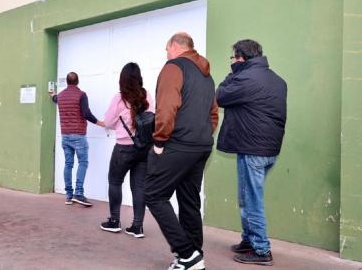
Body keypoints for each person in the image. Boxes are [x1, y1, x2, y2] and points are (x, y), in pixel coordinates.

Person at [144, 32, 218, 270]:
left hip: (177, 144)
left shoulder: (173, 67)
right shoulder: (207, 76)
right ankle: (195, 255)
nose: (166, 54)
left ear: (175, 46)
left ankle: (186, 253)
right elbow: (213, 114)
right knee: (189, 200)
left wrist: (159, 140)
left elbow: (167, 106)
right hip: (201, 146)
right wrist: (203, 134)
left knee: (154, 195)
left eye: (166, 49)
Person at [216, 39, 287, 266]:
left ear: (241, 58)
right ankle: (248, 241)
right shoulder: (277, 80)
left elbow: (220, 96)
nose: (232, 62)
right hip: (268, 149)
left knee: (252, 200)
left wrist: (234, 72)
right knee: (247, 196)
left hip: (252, 149)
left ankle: (261, 250)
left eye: (233, 59)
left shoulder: (246, 78)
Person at [99, 62, 155, 238]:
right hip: (143, 148)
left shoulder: (120, 98)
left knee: (115, 181)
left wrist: (119, 124)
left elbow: (108, 122)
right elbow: (150, 119)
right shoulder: (147, 95)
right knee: (139, 187)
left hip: (124, 147)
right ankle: (137, 227)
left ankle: (114, 221)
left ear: (122, 79)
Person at [50, 72, 103, 206]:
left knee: (68, 164)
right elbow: (86, 113)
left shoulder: (60, 96)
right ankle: (78, 193)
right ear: (78, 81)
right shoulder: (81, 95)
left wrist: (52, 96)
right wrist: (99, 122)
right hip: (78, 135)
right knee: (83, 162)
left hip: (65, 136)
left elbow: (55, 98)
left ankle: (68, 195)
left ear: (67, 82)